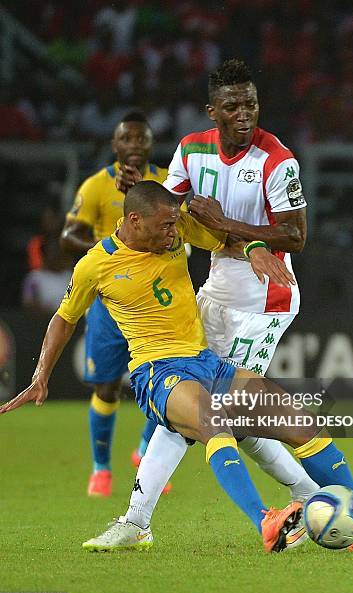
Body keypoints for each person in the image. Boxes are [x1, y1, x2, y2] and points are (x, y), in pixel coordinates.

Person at [1, 181, 353, 553]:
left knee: (301, 422)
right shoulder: (96, 264)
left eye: (175, 224)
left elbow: (223, 239)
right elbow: (64, 318)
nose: (174, 232)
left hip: (209, 363)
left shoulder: (175, 228)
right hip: (158, 372)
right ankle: (264, 519)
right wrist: (41, 376)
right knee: (214, 422)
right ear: (133, 221)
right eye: (165, 225)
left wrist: (257, 250)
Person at [118, 59, 320, 537]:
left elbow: (295, 236)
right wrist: (137, 200)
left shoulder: (277, 159)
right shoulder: (191, 151)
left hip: (263, 298)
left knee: (222, 409)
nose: (245, 113)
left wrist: (230, 227)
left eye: (251, 103)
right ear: (214, 111)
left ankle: (305, 491)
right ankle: (136, 520)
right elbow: (165, 210)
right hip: (214, 288)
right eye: (233, 106)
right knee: (193, 403)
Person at [59, 110, 169, 497]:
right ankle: (101, 469)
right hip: (110, 300)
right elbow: (67, 236)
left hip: (157, 300)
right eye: (128, 139)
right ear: (115, 145)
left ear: (151, 145)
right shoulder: (94, 187)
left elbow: (182, 231)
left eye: (142, 140)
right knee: (106, 386)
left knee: (168, 382)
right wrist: (107, 255)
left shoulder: (167, 183)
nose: (135, 146)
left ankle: (145, 452)